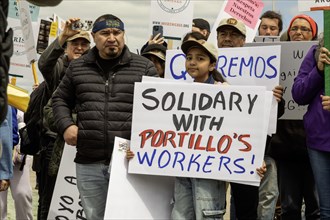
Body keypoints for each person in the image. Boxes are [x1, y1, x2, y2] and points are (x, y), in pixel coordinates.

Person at [52, 14, 158, 220]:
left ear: (124, 35)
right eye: (105, 33)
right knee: (94, 216)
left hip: (128, 163)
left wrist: (143, 144)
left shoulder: (144, 67)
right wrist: (66, 126)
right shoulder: (77, 67)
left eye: (117, 32)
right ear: (94, 37)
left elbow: (157, 113)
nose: (112, 37)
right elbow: (59, 100)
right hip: (88, 161)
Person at [216, 17, 281, 220]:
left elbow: (274, 115)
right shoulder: (204, 62)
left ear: (244, 40)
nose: (227, 39)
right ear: (217, 37)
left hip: (244, 148)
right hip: (210, 147)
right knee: (211, 204)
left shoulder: (261, 68)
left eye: (234, 35)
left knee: (245, 207)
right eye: (223, 34)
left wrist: (276, 100)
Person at [37, 17, 91, 220]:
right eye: (74, 43)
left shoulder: (94, 71)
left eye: (84, 44)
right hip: (54, 145)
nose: (79, 48)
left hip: (84, 146)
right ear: (66, 48)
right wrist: (61, 38)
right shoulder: (59, 69)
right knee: (49, 204)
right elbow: (44, 63)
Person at [270, 14, 320, 219]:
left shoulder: (322, 59)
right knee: (289, 207)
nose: (298, 32)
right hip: (286, 146)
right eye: (294, 28)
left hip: (315, 146)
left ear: (314, 35)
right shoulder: (275, 58)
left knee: (316, 206)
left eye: (305, 29)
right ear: (288, 33)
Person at [292, 34, 330, 218]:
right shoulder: (317, 51)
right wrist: (318, 70)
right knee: (326, 210)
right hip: (319, 143)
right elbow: (298, 94)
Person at [257, 10, 284, 220]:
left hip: (270, 145)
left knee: (268, 196)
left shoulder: (285, 58)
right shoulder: (242, 57)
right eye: (264, 27)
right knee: (242, 197)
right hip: (241, 144)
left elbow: (281, 112)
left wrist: (278, 100)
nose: (268, 31)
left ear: (279, 31)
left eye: (273, 28)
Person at [0, 108, 33, 220]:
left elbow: (23, 120)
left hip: (17, 154)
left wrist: (20, 144)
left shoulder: (13, 94)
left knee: (22, 195)